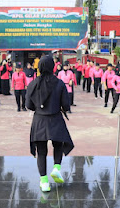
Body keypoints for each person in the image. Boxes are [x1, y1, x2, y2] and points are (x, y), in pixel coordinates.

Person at [25, 55, 74, 192]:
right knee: (58, 144)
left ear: (39, 67)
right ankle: (56, 168)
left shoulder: (33, 84)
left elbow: (28, 105)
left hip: (40, 120)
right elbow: (66, 104)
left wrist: (39, 109)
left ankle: (44, 182)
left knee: (41, 151)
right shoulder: (59, 83)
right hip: (56, 118)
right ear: (53, 66)